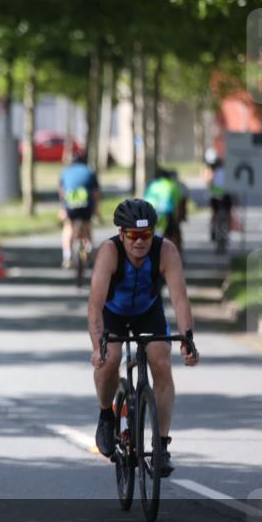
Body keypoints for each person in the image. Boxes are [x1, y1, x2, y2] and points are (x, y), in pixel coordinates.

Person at [88, 199, 200, 477]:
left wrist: (188, 339)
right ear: (122, 233)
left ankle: (161, 446)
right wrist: (97, 346)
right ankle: (106, 414)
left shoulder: (166, 251)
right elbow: (94, 305)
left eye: (146, 235)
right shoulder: (109, 252)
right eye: (133, 236)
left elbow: (180, 299)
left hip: (147, 312)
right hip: (113, 313)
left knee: (161, 362)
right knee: (109, 359)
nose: (140, 242)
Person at [58, 151, 101, 268]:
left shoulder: (65, 172)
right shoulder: (90, 171)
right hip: (87, 204)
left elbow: (62, 193)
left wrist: (62, 209)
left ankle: (67, 257)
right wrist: (97, 211)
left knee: (69, 226)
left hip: (71, 205)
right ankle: (89, 250)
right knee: (87, 226)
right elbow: (95, 194)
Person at [143, 168, 182, 248]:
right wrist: (177, 217)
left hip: (151, 212)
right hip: (166, 211)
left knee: (149, 234)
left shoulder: (151, 184)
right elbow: (178, 203)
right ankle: (173, 253)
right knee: (172, 235)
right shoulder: (172, 185)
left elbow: (145, 199)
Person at [204, 149, 234, 242]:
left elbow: (208, 183)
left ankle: (218, 230)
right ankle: (219, 230)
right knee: (223, 213)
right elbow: (208, 182)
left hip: (220, 195)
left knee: (218, 213)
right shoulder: (214, 170)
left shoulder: (215, 170)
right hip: (220, 195)